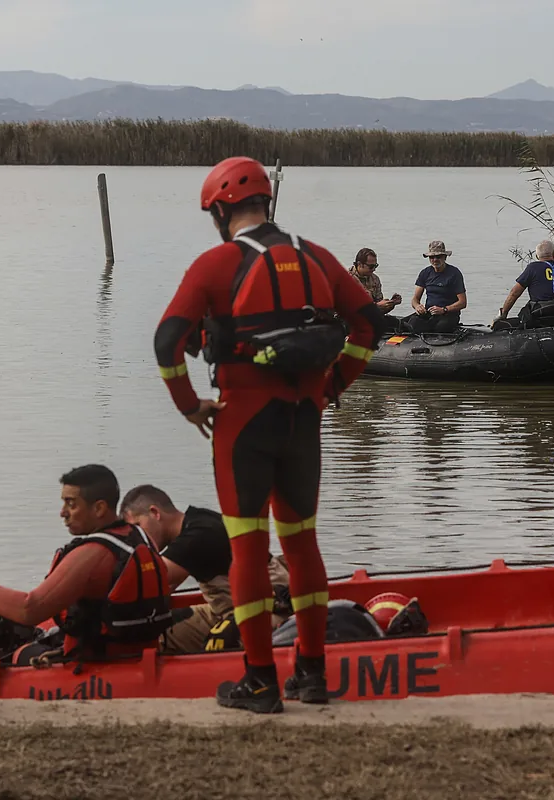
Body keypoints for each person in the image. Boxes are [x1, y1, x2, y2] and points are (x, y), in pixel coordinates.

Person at [153, 155, 384, 713]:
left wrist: (189, 406)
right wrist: (335, 384)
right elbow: (369, 325)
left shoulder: (214, 265)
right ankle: (311, 674)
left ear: (220, 210)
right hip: (305, 420)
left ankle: (259, 680)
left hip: (242, 425)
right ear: (266, 203)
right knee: (301, 544)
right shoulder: (318, 258)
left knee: (248, 551)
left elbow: (167, 343)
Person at [0, 464, 172, 666]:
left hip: (97, 664)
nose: (62, 513)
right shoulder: (139, 537)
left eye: (71, 503)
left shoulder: (92, 554)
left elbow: (30, 609)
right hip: (139, 654)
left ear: (99, 508)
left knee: (18, 655)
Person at [119, 484, 291, 655]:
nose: (138, 539)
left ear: (155, 513)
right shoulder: (195, 522)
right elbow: (165, 588)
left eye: (138, 527)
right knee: (160, 629)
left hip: (269, 610)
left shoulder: (198, 535)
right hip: (231, 609)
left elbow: (148, 577)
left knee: (217, 642)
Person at [495, 240, 554, 330]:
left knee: (499, 326)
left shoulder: (533, 268)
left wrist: (503, 313)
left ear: (537, 256)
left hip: (541, 318)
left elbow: (514, 293)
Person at [408, 240, 467, 333]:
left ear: (445, 257)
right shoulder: (425, 273)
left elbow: (462, 302)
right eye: (432, 257)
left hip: (448, 314)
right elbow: (415, 299)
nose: (435, 260)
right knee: (412, 323)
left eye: (438, 257)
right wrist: (417, 306)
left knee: (441, 327)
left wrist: (444, 309)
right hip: (429, 313)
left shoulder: (454, 273)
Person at [349, 248, 402, 333]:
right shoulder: (347, 279)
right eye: (371, 266)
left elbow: (379, 308)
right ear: (359, 264)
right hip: (349, 321)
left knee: (398, 324)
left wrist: (390, 304)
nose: (374, 269)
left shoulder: (375, 279)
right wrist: (377, 306)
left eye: (375, 265)